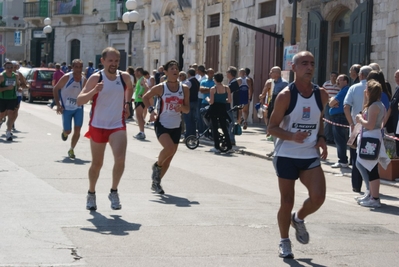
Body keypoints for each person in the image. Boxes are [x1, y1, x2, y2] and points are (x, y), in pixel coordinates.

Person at [268, 51, 329, 259]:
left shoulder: (321, 94)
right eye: (304, 63)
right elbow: (272, 128)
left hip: (309, 154)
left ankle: (299, 218)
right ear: (294, 67)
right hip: (286, 155)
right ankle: (284, 241)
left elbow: (319, 118)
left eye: (312, 63)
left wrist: (321, 137)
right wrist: (292, 136)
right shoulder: (286, 95)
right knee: (287, 201)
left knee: (319, 197)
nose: (309, 67)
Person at [76, 47, 133, 211]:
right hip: (98, 125)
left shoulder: (124, 77)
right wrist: (94, 91)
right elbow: (80, 100)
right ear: (103, 61)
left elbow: (129, 87)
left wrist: (127, 103)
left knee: (120, 159)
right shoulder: (96, 78)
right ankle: (91, 193)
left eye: (116, 61)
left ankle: (114, 191)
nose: (114, 64)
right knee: (97, 164)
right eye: (110, 61)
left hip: (117, 124)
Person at [142, 60, 190, 194]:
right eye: (172, 68)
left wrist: (182, 107)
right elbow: (145, 97)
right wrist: (152, 111)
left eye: (177, 68)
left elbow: (187, 109)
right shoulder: (161, 87)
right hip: (162, 123)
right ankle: (157, 166)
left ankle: (156, 182)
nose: (175, 71)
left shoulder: (184, 88)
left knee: (169, 157)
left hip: (176, 125)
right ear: (166, 72)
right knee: (168, 149)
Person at [354, 80, 390, 207]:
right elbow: (366, 110)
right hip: (370, 138)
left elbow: (369, 124)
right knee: (364, 164)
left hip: (371, 138)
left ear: (370, 91)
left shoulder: (375, 106)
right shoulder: (375, 104)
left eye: (367, 90)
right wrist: (365, 98)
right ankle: (370, 194)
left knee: (371, 168)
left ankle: (374, 197)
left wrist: (360, 119)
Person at [344, 66, 372, 193]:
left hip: (357, 127)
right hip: (372, 127)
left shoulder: (354, 88)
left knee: (355, 157)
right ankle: (371, 187)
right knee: (370, 157)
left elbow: (346, 106)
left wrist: (351, 123)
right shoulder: (376, 89)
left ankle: (356, 186)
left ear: (360, 75)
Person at [53, 59, 86, 159]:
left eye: (80, 67)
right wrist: (58, 105)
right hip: (66, 108)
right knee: (68, 131)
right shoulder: (67, 77)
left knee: (78, 130)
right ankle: (64, 132)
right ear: (72, 67)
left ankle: (71, 149)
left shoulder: (84, 80)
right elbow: (55, 89)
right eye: (76, 67)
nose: (78, 69)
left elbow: (87, 92)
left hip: (78, 108)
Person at [207, 72, 233, 153]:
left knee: (214, 128)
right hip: (222, 108)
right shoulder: (227, 88)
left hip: (214, 108)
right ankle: (229, 147)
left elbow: (211, 102)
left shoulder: (213, 89)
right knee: (224, 127)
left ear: (215, 79)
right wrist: (222, 100)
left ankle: (217, 147)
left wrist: (207, 99)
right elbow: (229, 100)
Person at [266, 66, 289, 157]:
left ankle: (279, 150)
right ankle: (276, 149)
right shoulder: (272, 83)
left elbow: (286, 98)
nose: (270, 73)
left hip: (280, 109)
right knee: (273, 130)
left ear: (277, 73)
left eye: (272, 72)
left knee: (279, 129)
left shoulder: (284, 83)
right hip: (273, 107)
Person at [329, 74, 350, 168]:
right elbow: (331, 102)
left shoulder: (345, 90)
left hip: (340, 118)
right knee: (339, 139)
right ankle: (343, 160)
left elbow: (331, 102)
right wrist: (332, 101)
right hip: (338, 117)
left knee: (340, 139)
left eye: (340, 80)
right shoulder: (341, 90)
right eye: (337, 80)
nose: (337, 82)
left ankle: (342, 160)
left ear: (346, 81)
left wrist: (333, 101)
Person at [0, 61, 20, 141]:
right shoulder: (1, 76)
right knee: (2, 114)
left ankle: (8, 132)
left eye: (11, 67)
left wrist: (19, 89)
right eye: (8, 67)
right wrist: (7, 88)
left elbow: (17, 86)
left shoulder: (15, 76)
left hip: (12, 98)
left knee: (11, 113)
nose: (10, 69)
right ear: (4, 68)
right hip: (2, 98)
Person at [322, 71, 339, 143]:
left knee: (334, 122)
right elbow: (322, 94)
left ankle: (333, 138)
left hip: (336, 106)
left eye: (335, 76)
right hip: (328, 105)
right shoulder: (326, 84)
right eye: (332, 76)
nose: (333, 78)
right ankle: (327, 137)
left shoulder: (338, 86)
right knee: (327, 121)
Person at [183, 68, 199, 139]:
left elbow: (184, 91)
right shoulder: (197, 81)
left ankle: (188, 135)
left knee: (188, 119)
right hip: (195, 101)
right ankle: (193, 135)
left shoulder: (188, 82)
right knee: (193, 120)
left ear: (189, 74)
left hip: (189, 102)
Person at [11, 61, 27, 131]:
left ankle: (12, 123)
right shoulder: (4, 74)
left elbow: (24, 84)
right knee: (6, 111)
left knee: (16, 110)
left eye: (16, 67)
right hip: (6, 94)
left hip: (17, 94)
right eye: (13, 67)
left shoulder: (19, 74)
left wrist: (21, 87)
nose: (14, 68)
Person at [226, 66, 240, 146]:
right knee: (230, 123)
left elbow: (228, 93)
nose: (226, 74)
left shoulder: (233, 83)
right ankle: (230, 139)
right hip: (231, 106)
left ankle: (231, 140)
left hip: (232, 106)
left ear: (230, 73)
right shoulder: (232, 82)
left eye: (227, 72)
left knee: (231, 123)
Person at [132, 67, 147, 140]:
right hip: (138, 100)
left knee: (139, 116)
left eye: (135, 72)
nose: (134, 73)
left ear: (139, 72)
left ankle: (142, 132)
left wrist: (142, 95)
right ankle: (141, 131)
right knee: (139, 117)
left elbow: (147, 88)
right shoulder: (140, 79)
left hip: (140, 101)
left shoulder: (142, 79)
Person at [199, 68, 215, 138]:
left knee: (212, 119)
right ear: (207, 73)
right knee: (204, 118)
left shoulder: (215, 81)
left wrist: (207, 89)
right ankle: (205, 133)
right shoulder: (203, 81)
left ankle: (212, 134)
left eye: (212, 73)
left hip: (213, 102)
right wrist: (211, 89)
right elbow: (201, 90)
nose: (212, 74)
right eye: (210, 73)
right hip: (204, 102)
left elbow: (216, 90)